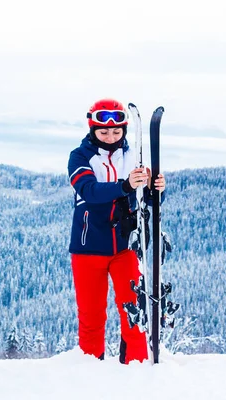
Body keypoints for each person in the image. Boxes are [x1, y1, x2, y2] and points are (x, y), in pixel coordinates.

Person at [67, 98, 166, 364]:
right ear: (92, 130)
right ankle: (90, 371)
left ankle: (135, 367)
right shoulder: (80, 156)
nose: (110, 136)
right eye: (103, 131)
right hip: (89, 248)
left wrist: (156, 190)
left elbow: (146, 202)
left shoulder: (133, 157)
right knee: (92, 317)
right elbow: (87, 190)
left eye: (116, 130)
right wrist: (124, 186)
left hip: (126, 246)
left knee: (133, 311)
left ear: (123, 129)